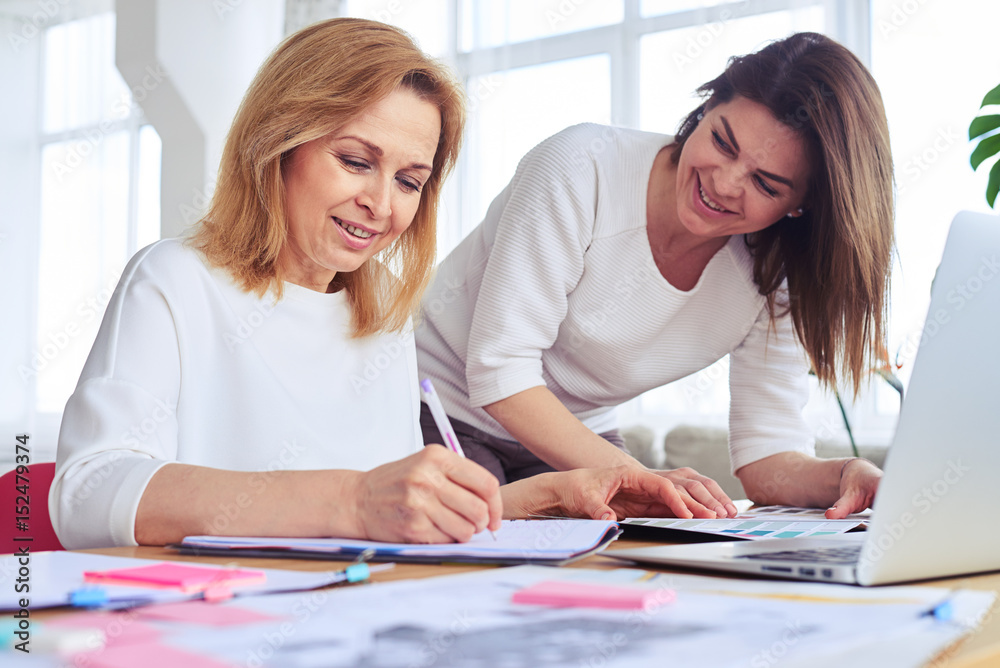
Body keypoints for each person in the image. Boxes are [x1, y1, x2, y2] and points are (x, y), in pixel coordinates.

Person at [50, 18, 699, 550]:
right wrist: (352, 501)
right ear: (279, 144)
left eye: (410, 181)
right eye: (356, 161)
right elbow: (88, 494)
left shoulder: (385, 310)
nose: (382, 204)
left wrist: (539, 498)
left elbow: (382, 510)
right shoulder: (175, 280)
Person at [415, 32, 893, 520]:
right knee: (469, 546)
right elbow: (500, 370)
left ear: (802, 207)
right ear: (705, 108)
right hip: (441, 410)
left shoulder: (777, 273)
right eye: (722, 142)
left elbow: (766, 451)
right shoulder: (582, 167)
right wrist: (636, 477)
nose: (724, 184)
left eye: (766, 184)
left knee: (619, 562)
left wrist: (845, 475)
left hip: (574, 435)